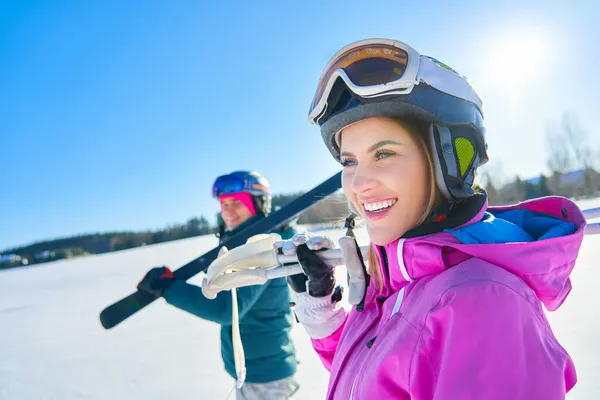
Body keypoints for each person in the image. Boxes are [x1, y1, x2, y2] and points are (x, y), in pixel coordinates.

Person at [281, 38, 583, 399]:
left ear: (449, 161)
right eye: (349, 162)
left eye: (383, 154)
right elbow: (373, 376)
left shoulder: (480, 304)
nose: (358, 184)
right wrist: (322, 313)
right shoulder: (399, 282)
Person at [137, 171, 300, 399]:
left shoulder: (261, 247)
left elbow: (225, 308)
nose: (228, 212)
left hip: (265, 376)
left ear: (257, 205)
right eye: (224, 205)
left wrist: (170, 289)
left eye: (236, 203)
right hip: (258, 369)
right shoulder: (248, 246)